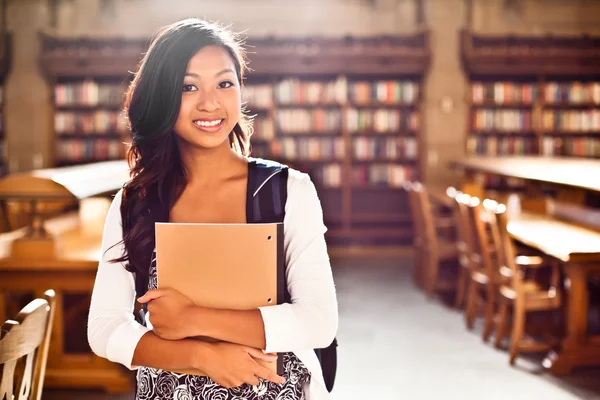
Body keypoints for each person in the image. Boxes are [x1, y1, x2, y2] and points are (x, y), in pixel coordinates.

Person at [87, 18, 338, 400]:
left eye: (225, 83)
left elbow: (319, 322)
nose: (210, 103)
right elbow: (104, 328)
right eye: (188, 87)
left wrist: (190, 319)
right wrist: (202, 357)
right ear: (162, 97)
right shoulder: (135, 201)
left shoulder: (288, 192)